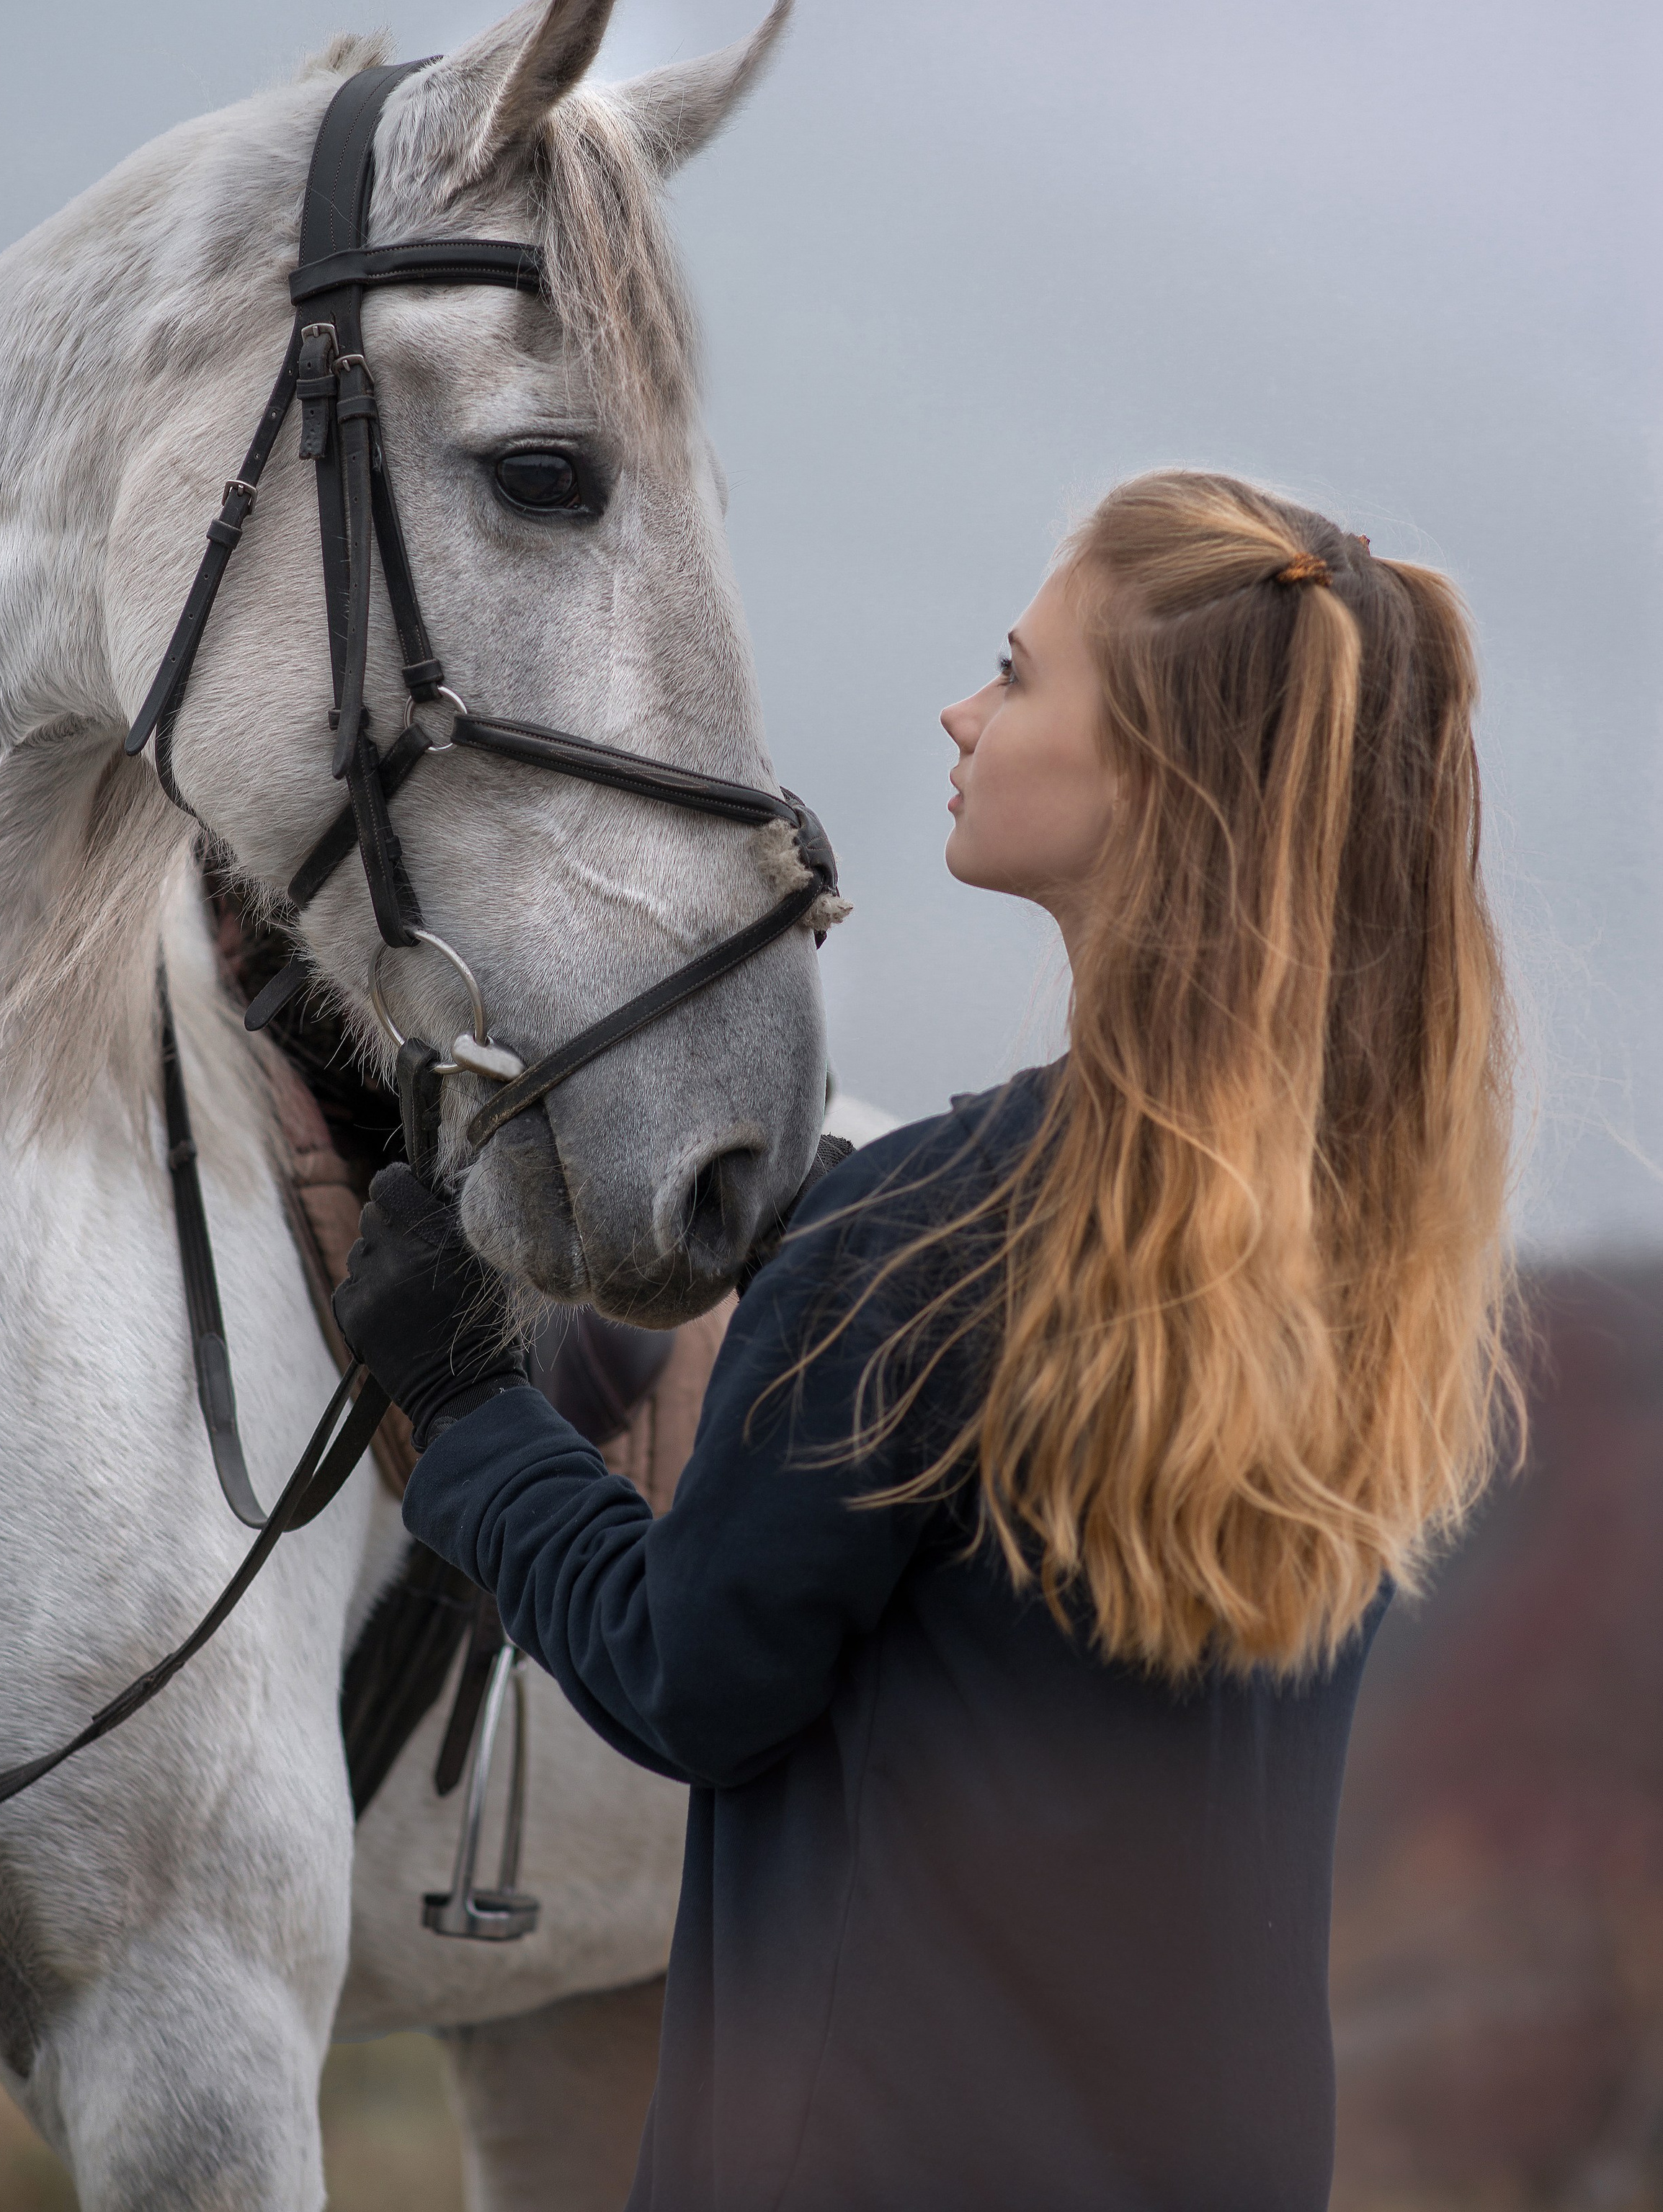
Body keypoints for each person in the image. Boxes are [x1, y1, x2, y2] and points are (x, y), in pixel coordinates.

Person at [334, 469, 1518, 2212]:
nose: (960, 711)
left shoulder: (932, 1239)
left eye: (1017, 673)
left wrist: (460, 1400)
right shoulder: (1360, 1242)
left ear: (1157, 778)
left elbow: (685, 1677)